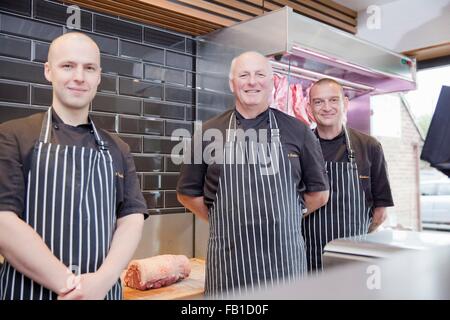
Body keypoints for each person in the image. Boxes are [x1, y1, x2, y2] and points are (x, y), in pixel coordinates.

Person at [0, 32, 148, 300]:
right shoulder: (12, 136)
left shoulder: (118, 148)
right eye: (68, 66)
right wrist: (72, 287)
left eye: (89, 68)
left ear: (98, 76)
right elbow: (3, 220)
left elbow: (131, 218)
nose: (79, 76)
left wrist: (103, 280)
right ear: (48, 71)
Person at [176, 51, 329, 297]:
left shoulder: (299, 131)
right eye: (244, 75)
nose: (252, 81)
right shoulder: (207, 132)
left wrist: (285, 216)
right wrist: (225, 221)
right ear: (232, 83)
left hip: (285, 267)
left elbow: (319, 194)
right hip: (229, 268)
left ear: (271, 82)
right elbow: (187, 194)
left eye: (260, 74)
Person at [302, 78, 394, 273]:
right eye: (318, 102)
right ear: (309, 107)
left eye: (333, 100)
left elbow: (380, 214)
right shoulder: (301, 146)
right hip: (308, 261)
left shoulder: (369, 147)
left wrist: (356, 238)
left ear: (345, 103)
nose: (326, 107)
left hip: (353, 261)